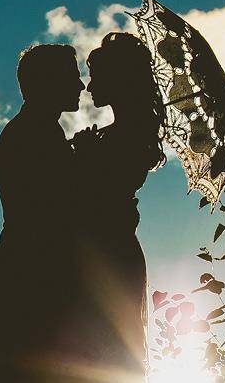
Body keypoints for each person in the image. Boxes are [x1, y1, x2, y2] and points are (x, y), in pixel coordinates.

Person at [0, 44, 85, 383]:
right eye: (73, 77)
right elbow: (56, 208)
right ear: (48, 82)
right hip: (30, 277)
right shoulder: (34, 134)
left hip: (25, 275)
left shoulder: (39, 131)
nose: (82, 86)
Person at [68, 32, 165, 382]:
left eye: (97, 75)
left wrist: (86, 157)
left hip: (110, 253)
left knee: (104, 354)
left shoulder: (133, 134)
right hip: (95, 253)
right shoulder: (116, 132)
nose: (89, 85)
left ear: (119, 79)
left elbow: (103, 194)